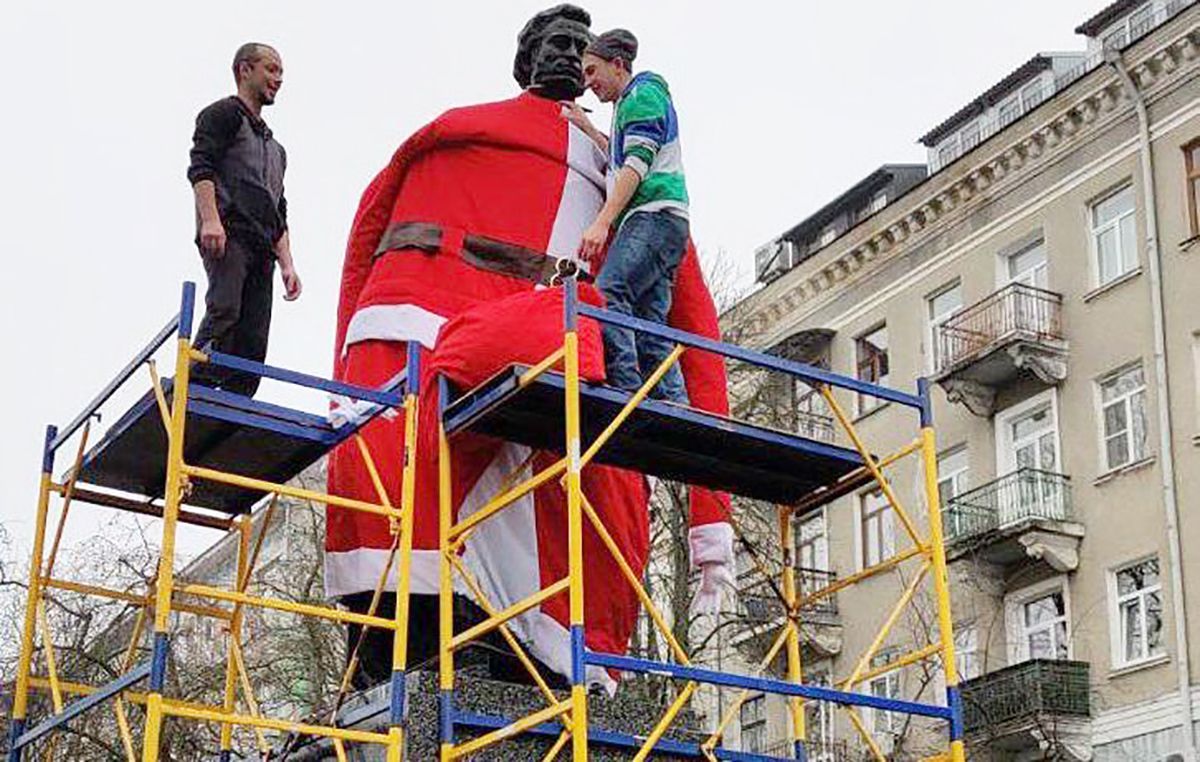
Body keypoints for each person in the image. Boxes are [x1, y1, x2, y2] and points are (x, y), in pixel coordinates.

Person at [327, 4, 734, 692]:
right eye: (555, 43)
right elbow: (366, 244)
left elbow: (695, 329)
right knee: (404, 492)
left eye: (580, 47)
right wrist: (344, 380)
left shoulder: (620, 172)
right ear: (526, 60)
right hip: (429, 359)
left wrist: (710, 515)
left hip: (548, 386)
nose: (568, 55)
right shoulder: (453, 137)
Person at [565, 28, 690, 403]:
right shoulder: (633, 102)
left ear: (617, 64)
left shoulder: (640, 95)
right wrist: (589, 129)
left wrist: (602, 222)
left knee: (609, 291)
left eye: (592, 71)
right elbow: (623, 157)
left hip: (651, 216)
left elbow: (636, 164)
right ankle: (673, 404)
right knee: (652, 324)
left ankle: (626, 387)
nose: (588, 83)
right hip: (667, 221)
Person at [187, 42, 301, 397]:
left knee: (254, 336)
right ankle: (192, 387)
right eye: (271, 69)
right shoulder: (223, 115)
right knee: (225, 311)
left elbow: (279, 209)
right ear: (245, 70)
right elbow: (201, 168)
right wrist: (210, 221)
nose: (278, 79)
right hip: (230, 233)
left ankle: (237, 403)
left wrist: (287, 264)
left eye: (281, 72)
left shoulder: (276, 150)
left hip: (262, 245)